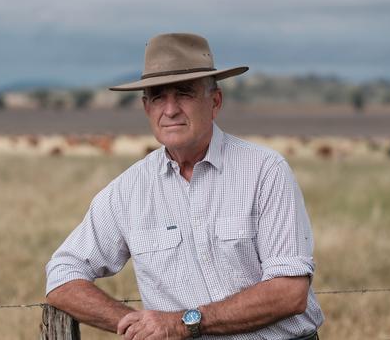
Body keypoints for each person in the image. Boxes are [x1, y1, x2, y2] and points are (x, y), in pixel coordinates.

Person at [45, 33, 324, 339]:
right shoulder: (129, 190)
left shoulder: (264, 171)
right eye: (157, 96)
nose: (171, 109)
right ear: (146, 108)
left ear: (215, 102)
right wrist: (135, 324)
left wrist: (181, 323)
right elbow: (62, 275)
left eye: (184, 93)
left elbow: (290, 292)